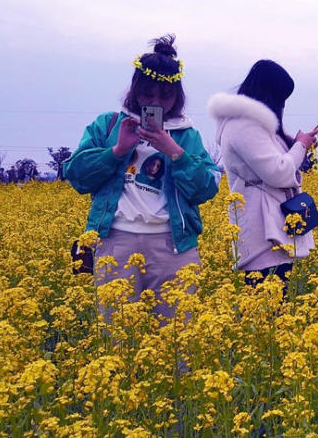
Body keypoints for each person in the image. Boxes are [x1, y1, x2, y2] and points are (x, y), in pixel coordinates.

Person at [63, 35, 220, 322]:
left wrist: (174, 152)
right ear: (135, 90)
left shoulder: (187, 135)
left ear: (178, 97)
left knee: (179, 342)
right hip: (115, 241)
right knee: (118, 337)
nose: (155, 103)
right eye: (147, 94)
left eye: (165, 96)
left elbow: (207, 188)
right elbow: (76, 176)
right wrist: (118, 150)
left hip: (173, 245)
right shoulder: (108, 125)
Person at [208, 60, 318, 290]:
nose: (282, 106)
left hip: (271, 222)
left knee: (273, 305)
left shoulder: (253, 125)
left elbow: (269, 160)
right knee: (264, 306)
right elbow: (278, 172)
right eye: (281, 99)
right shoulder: (243, 125)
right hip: (262, 229)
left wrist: (291, 144)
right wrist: (300, 146)